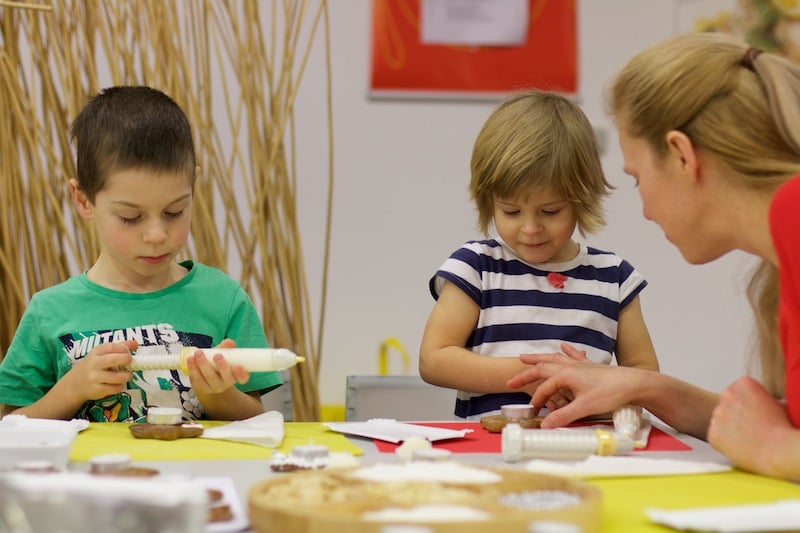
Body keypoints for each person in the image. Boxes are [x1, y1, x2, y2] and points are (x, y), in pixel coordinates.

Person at [507, 32, 800, 482]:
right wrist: (644, 386)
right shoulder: (781, 254)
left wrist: (774, 448)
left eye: (637, 177)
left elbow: (772, 439)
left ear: (682, 156)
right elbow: (762, 429)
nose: (644, 209)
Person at [0, 86, 282, 422]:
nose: (156, 235)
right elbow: (12, 427)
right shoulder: (48, 312)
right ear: (83, 200)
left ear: (193, 185)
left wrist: (216, 394)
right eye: (130, 217)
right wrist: (72, 389)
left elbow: (258, 422)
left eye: (174, 211)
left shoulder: (224, 301)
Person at [419, 90, 660, 419]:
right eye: (511, 211)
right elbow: (433, 361)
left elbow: (646, 378)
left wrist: (596, 382)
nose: (531, 228)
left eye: (550, 211)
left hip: (590, 444)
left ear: (582, 199)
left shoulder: (615, 278)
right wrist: (528, 375)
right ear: (489, 202)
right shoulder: (476, 267)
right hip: (493, 444)